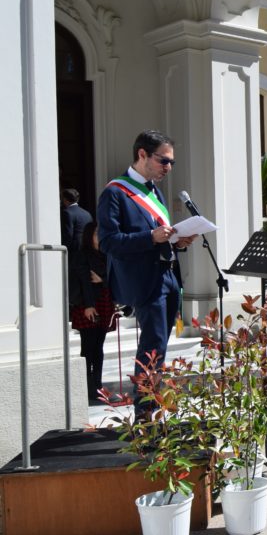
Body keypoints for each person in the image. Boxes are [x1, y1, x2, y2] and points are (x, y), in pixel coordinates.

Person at [97, 130, 196, 415]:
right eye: (163, 161)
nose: (168, 167)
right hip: (144, 281)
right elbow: (108, 242)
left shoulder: (154, 191)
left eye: (171, 162)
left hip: (168, 275)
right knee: (152, 346)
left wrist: (176, 241)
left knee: (159, 345)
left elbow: (158, 236)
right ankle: (145, 411)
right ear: (142, 154)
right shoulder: (115, 192)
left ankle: (154, 404)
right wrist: (151, 237)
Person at [69, 222, 116, 401]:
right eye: (97, 233)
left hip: (104, 303)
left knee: (99, 347)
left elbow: (112, 278)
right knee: (88, 347)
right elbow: (84, 282)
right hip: (88, 305)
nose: (100, 236)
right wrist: (88, 306)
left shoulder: (106, 254)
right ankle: (87, 387)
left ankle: (98, 385)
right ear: (89, 235)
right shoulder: (82, 255)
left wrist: (102, 280)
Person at [60, 188, 93, 255]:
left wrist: (63, 250)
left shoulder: (67, 213)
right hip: (88, 250)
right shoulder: (87, 213)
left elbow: (68, 235)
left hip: (74, 251)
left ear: (65, 199)